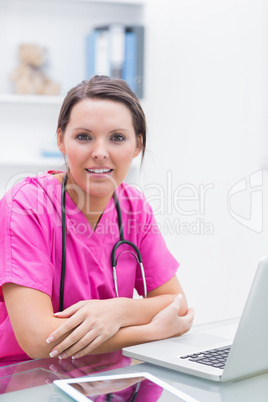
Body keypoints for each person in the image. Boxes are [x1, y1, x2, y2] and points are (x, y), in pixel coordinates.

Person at [0, 75, 194, 365]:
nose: (100, 153)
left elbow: (177, 306)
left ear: (137, 145)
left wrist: (117, 311)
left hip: (107, 379)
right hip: (26, 379)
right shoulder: (27, 205)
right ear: (61, 140)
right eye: (84, 136)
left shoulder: (134, 207)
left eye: (117, 137)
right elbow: (39, 339)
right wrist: (150, 331)